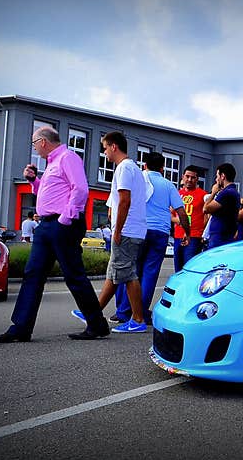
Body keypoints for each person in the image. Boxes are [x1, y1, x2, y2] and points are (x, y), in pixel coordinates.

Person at [0, 127, 108, 342]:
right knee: (33, 273)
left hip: (62, 223)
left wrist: (64, 219)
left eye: (34, 143)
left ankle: (97, 324)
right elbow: (51, 191)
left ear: (43, 141)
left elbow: (80, 189)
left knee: (74, 275)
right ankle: (20, 328)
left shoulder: (67, 157)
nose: (34, 147)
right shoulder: (52, 163)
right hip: (46, 225)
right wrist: (34, 181)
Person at [75, 131, 149, 334]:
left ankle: (138, 319)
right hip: (134, 229)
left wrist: (118, 229)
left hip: (126, 230)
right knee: (115, 272)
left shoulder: (123, 168)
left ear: (114, 146)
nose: (105, 152)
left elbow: (125, 200)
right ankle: (93, 311)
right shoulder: (133, 168)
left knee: (128, 274)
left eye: (105, 148)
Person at [111, 152, 188, 325]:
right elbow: (181, 212)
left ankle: (123, 312)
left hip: (139, 230)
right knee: (150, 273)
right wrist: (186, 232)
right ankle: (141, 313)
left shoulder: (138, 179)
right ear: (162, 168)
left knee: (132, 272)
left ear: (144, 165)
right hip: (160, 232)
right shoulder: (168, 185)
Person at [174, 165, 209, 270]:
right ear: (182, 177)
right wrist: (178, 220)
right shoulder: (177, 194)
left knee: (189, 268)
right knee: (178, 268)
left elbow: (207, 216)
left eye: (193, 177)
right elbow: (169, 214)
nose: (189, 180)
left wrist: (203, 233)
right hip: (178, 236)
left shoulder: (203, 195)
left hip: (195, 237)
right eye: (187, 176)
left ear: (197, 179)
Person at [202, 163, 239, 249]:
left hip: (220, 237)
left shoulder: (227, 193)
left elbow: (206, 209)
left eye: (217, 176)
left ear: (222, 176)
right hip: (223, 235)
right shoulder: (232, 192)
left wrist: (213, 192)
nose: (216, 179)